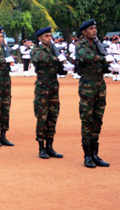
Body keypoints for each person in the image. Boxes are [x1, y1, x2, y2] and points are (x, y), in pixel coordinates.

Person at [76, 20, 111, 169]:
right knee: (87, 121)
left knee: (97, 121)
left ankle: (95, 154)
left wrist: (109, 64)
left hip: (100, 88)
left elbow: (104, 67)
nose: (94, 31)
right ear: (84, 32)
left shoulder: (99, 45)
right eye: (91, 28)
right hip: (87, 89)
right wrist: (103, 58)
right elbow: (86, 56)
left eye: (95, 28)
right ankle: (87, 155)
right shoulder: (81, 46)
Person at [31, 27, 70, 160]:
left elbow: (60, 70)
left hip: (54, 88)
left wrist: (65, 67)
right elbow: (41, 59)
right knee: (42, 118)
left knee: (53, 117)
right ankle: (41, 148)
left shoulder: (54, 51)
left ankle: (50, 146)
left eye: (50, 36)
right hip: (42, 88)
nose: (49, 38)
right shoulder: (37, 50)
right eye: (46, 36)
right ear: (40, 38)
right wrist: (58, 58)